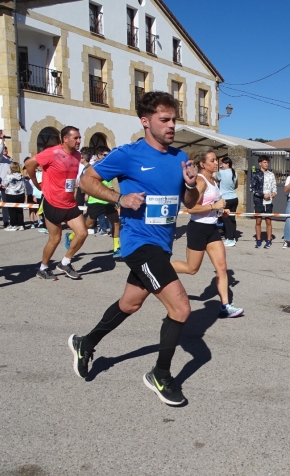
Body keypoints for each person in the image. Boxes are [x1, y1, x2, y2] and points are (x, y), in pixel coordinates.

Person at [69, 91, 200, 406]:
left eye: (173, 120)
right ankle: (160, 375)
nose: (171, 126)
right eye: (164, 120)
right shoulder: (128, 154)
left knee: (130, 304)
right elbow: (87, 181)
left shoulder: (180, 158)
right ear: (145, 121)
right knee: (180, 308)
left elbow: (190, 204)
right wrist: (119, 198)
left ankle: (85, 343)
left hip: (162, 244)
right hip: (138, 243)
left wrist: (193, 185)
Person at [172, 147, 244, 318]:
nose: (216, 163)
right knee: (191, 269)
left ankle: (225, 306)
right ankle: (157, 268)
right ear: (202, 164)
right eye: (212, 160)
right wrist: (214, 206)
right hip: (198, 229)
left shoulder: (214, 181)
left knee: (222, 267)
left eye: (216, 160)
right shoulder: (200, 181)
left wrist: (220, 211)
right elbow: (191, 208)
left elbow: (212, 206)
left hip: (212, 228)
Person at [25, 126, 88, 280]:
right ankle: (43, 268)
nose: (79, 141)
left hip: (70, 203)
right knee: (55, 238)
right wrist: (35, 181)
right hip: (53, 203)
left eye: (80, 137)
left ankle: (65, 263)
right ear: (65, 139)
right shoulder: (52, 152)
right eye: (76, 138)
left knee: (82, 233)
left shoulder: (77, 155)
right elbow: (29, 163)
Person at [83, 171, 121, 258]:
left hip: (109, 200)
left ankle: (116, 249)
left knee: (116, 223)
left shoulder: (113, 168)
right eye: (104, 155)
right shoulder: (97, 168)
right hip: (96, 200)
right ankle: (71, 236)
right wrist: (106, 188)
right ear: (99, 156)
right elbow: (89, 182)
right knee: (89, 225)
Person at [250, 155, 277, 248]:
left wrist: (274, 193)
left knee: (268, 221)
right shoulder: (256, 174)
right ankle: (258, 240)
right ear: (260, 163)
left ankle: (268, 240)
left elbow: (274, 186)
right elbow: (252, 189)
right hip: (258, 202)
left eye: (267, 162)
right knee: (258, 221)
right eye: (264, 162)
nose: (266, 164)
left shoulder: (271, 174)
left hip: (268, 202)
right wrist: (262, 195)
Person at [219, 157, 238, 246]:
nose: (221, 165)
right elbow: (236, 185)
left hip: (226, 199)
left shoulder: (221, 172)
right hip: (234, 197)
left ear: (227, 164)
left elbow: (216, 181)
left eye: (222, 163)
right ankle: (233, 237)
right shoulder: (235, 173)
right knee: (232, 219)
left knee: (227, 220)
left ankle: (230, 238)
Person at [3, 162, 26, 231]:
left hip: (11, 194)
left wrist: (7, 175)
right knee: (20, 210)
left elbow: (4, 183)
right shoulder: (22, 176)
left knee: (12, 210)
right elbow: (24, 185)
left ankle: (13, 224)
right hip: (20, 194)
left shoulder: (9, 176)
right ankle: (21, 224)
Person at [0, 136, 12, 229]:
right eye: (3, 148)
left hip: (12, 184)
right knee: (5, 203)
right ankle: (6, 221)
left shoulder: (10, 159)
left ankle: (13, 220)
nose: (5, 149)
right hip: (4, 184)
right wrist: (2, 142)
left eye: (6, 148)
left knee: (13, 202)